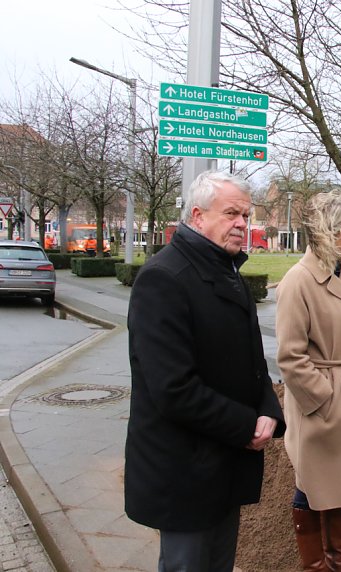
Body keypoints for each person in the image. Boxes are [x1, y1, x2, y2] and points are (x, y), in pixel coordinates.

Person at [125, 170, 286, 572]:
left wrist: (269, 409)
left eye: (246, 216)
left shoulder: (225, 270)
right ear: (197, 216)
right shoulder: (164, 279)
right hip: (185, 472)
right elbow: (173, 389)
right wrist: (247, 424)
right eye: (231, 213)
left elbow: (251, 362)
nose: (242, 225)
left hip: (223, 463)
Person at [275, 192, 341, 572]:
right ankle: (315, 565)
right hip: (320, 403)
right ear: (331, 233)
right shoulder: (298, 282)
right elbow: (290, 357)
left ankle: (339, 558)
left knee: (339, 482)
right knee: (311, 484)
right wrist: (323, 399)